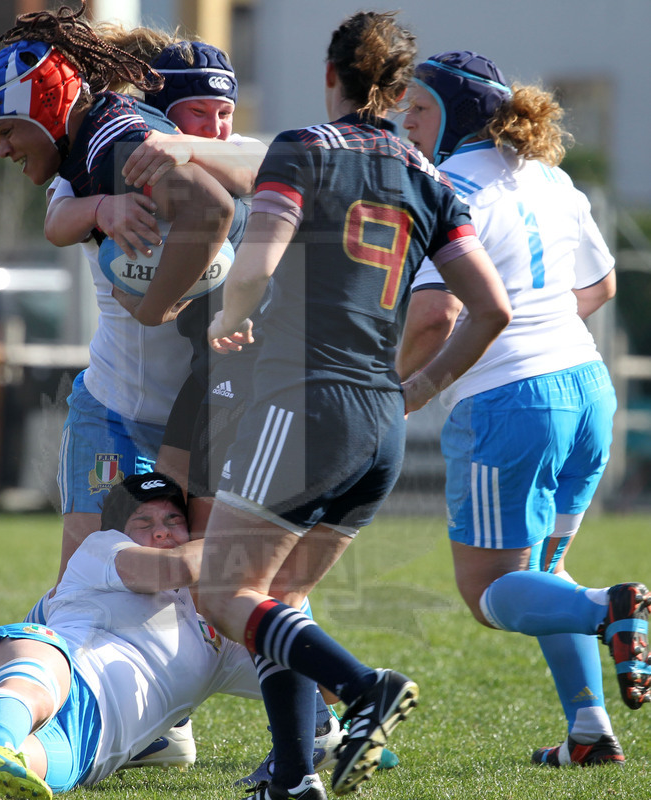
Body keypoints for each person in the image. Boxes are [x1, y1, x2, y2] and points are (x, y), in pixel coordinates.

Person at [197, 12, 513, 800]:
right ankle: (297, 776)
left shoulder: (303, 148)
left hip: (304, 405)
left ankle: (365, 687)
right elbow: (491, 309)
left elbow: (259, 261)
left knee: (224, 593)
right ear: (399, 91)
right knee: (284, 600)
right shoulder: (431, 179)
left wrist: (229, 318)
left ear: (331, 74)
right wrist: (418, 391)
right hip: (379, 423)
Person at [399, 50, 650, 767]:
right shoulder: (550, 177)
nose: (406, 122)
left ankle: (613, 609)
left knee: (489, 593)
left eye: (418, 108)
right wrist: (538, 326)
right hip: (585, 385)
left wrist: (385, 392)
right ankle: (591, 731)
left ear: (455, 115)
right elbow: (598, 286)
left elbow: (434, 318)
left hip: (512, 404)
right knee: (542, 571)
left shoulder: (445, 186)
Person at [0, 3, 242, 595]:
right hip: (117, 411)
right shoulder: (87, 147)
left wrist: (158, 304)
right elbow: (58, 220)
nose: (4, 150)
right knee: (89, 581)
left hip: (205, 410)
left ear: (41, 108)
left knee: (210, 594)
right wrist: (99, 209)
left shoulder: (120, 138)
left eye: (6, 130)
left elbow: (214, 209)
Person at [0, 473, 263, 800]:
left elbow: (312, 686)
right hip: (45, 665)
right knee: (43, 670)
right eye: (143, 523)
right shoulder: (103, 549)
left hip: (89, 743)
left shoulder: (219, 637)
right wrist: (254, 535)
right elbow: (177, 568)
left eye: (173, 520)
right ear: (120, 531)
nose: (160, 531)